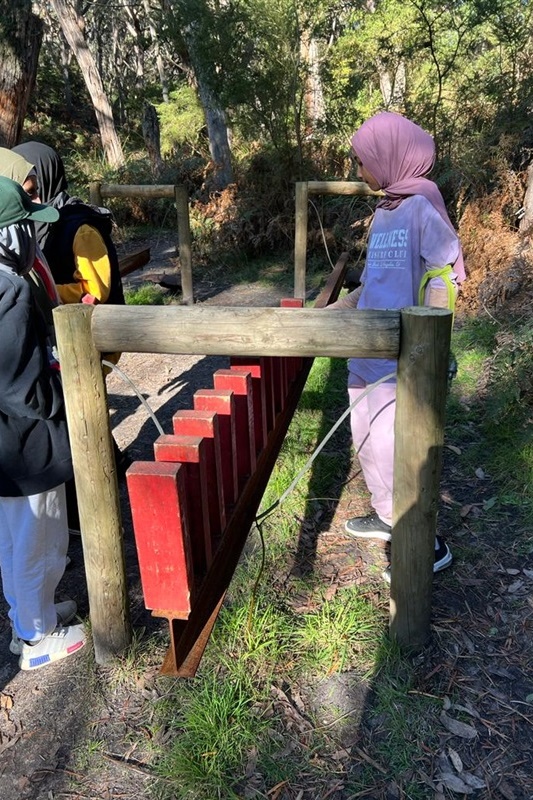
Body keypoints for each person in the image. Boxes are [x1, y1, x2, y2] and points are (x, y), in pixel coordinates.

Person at [329, 111, 466, 580]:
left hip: (405, 358)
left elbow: (444, 278)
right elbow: (370, 285)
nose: (358, 169)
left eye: (362, 160)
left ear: (389, 157)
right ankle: (388, 515)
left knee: (397, 445)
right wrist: (329, 315)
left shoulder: (422, 208)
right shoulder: (385, 211)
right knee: (366, 437)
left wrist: (428, 348)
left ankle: (426, 543)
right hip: (368, 352)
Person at [0, 176, 86, 669]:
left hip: (7, 445)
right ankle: (37, 638)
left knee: (14, 540)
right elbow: (21, 387)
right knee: (40, 538)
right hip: (28, 445)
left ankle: (26, 619)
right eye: (25, 227)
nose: (33, 237)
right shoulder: (9, 290)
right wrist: (65, 390)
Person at [13, 141, 130, 484]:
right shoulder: (33, 224)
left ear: (48, 178)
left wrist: (41, 292)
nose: (31, 198)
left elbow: (97, 289)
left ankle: (102, 472)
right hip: (60, 334)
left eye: (33, 190)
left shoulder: (79, 226)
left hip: (92, 334)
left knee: (84, 404)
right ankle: (108, 462)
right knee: (78, 407)